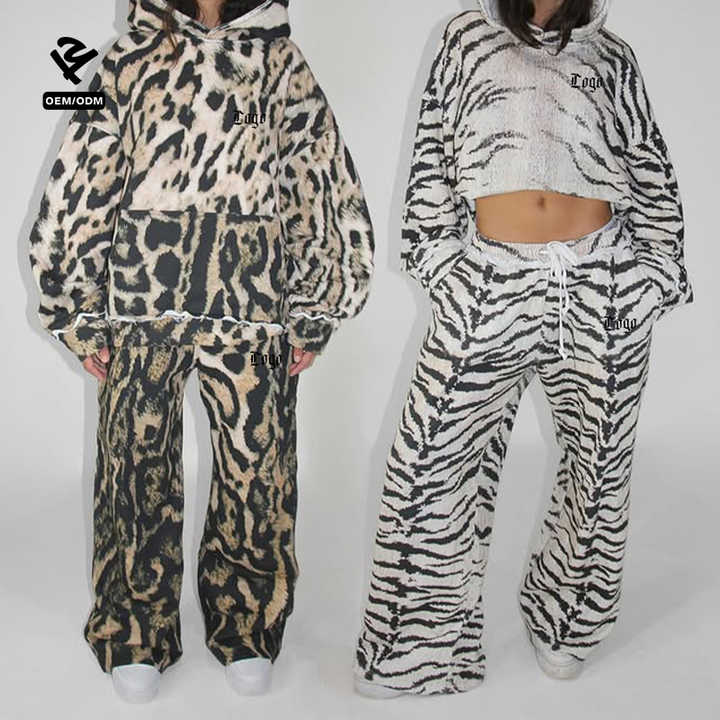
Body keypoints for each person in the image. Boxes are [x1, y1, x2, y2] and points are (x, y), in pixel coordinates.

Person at [28, 0, 374, 704]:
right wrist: (74, 306)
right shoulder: (126, 60)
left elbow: (316, 174)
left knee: (257, 469)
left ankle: (246, 622)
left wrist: (316, 303)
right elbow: (82, 174)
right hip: (141, 298)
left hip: (253, 301)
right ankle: (135, 628)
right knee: (135, 466)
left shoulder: (278, 60)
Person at [353, 0, 692, 698]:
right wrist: (449, 274)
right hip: (490, 281)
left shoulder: (612, 57)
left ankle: (567, 621)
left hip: (600, 282)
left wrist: (650, 279)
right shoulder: (464, 39)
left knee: (598, 473)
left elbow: (651, 169)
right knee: (425, 466)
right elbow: (430, 168)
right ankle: (416, 649)